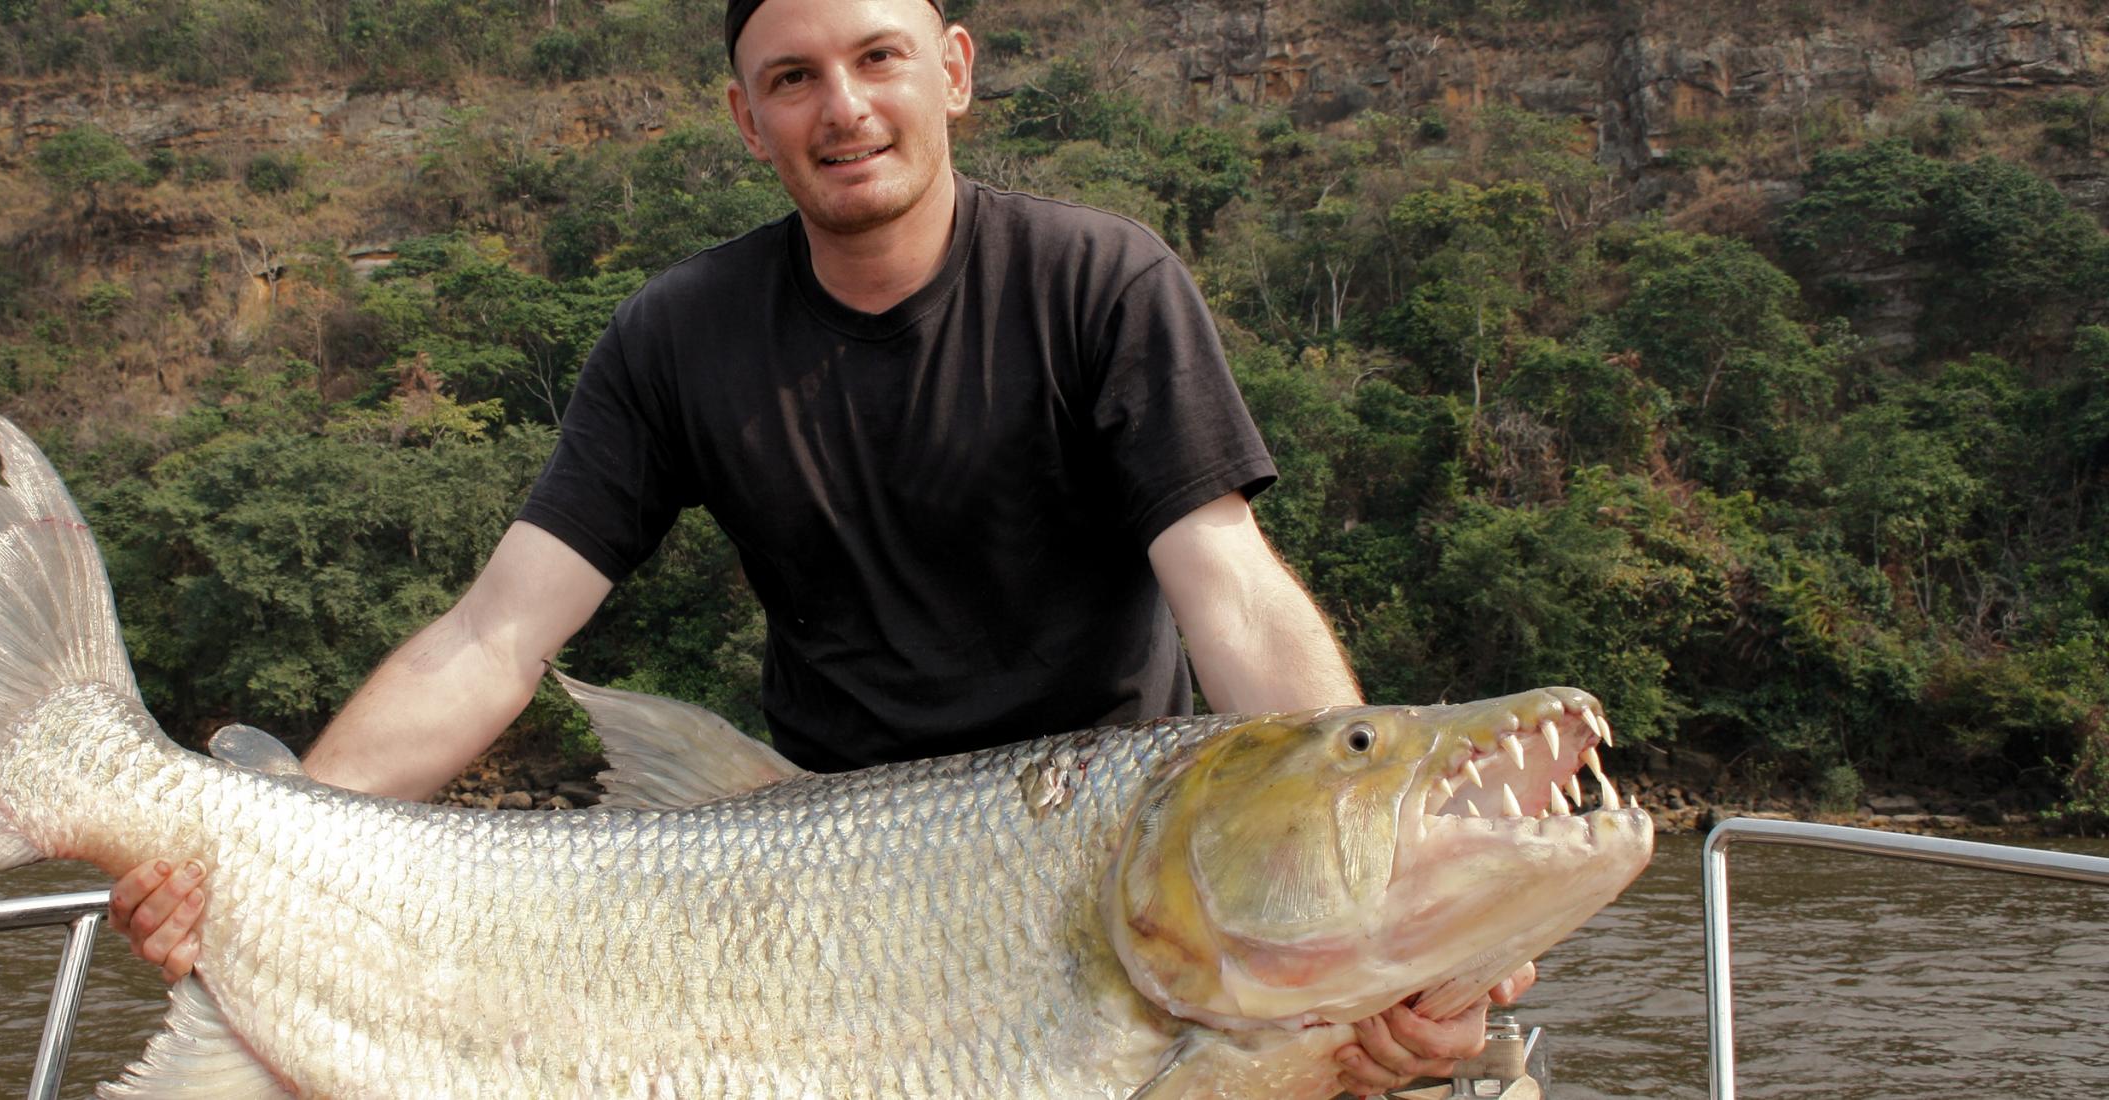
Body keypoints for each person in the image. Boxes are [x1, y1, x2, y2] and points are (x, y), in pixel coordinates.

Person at [109, 0, 1534, 1091]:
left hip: (1098, 879)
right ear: (747, 117)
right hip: (794, 883)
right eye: (794, 79)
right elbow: (497, 638)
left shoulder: (1102, 281)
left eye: (878, 60)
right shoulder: (678, 334)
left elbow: (1229, 584)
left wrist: (1374, 880)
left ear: (955, 71)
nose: (842, 108)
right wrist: (259, 842)